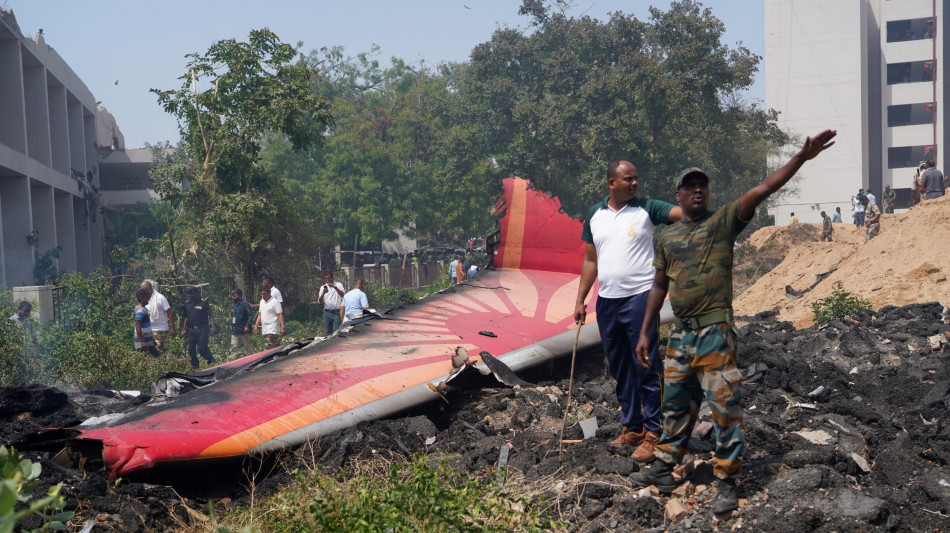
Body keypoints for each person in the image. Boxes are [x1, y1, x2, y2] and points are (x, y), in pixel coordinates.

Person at [630, 129, 837, 515]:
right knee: (674, 404)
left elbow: (762, 189)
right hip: (680, 335)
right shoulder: (667, 236)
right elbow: (658, 285)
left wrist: (800, 158)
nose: (697, 191)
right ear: (677, 195)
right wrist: (646, 332)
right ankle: (663, 465)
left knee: (724, 410)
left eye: (702, 186)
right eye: (689, 187)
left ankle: (726, 479)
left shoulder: (723, 222)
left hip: (714, 334)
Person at [574, 159, 683, 463]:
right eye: (628, 180)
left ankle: (653, 431)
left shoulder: (647, 208)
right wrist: (580, 299)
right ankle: (631, 426)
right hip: (607, 301)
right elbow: (590, 260)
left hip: (641, 298)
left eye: (636, 179)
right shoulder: (595, 215)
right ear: (612, 183)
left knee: (645, 364)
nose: (634, 184)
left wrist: (694, 206)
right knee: (620, 367)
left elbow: (679, 213)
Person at [180, 286, 217, 369]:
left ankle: (211, 360)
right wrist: (184, 328)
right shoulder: (187, 304)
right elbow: (186, 317)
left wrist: (213, 327)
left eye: (192, 293)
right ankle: (195, 366)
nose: (190, 295)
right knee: (191, 350)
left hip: (202, 329)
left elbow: (210, 315)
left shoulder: (203, 303)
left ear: (196, 293)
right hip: (191, 330)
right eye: (188, 294)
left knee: (202, 348)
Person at [142, 280, 176, 354]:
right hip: (150, 330)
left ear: (150, 288)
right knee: (152, 352)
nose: (144, 292)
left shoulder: (160, 298)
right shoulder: (145, 299)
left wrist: (172, 328)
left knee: (162, 352)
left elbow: (169, 312)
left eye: (146, 290)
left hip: (161, 330)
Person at [133, 288, 160, 357]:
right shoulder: (140, 310)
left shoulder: (143, 309)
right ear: (142, 298)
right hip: (144, 343)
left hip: (147, 341)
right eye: (147, 297)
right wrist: (142, 341)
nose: (148, 299)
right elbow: (138, 325)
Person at [229, 289, 254, 357]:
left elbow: (250, 316)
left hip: (244, 330)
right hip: (235, 330)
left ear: (240, 295)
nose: (233, 298)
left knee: (248, 347)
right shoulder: (234, 305)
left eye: (235, 296)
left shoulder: (245, 304)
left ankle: (253, 360)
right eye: (233, 296)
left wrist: (247, 326)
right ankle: (230, 364)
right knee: (233, 347)